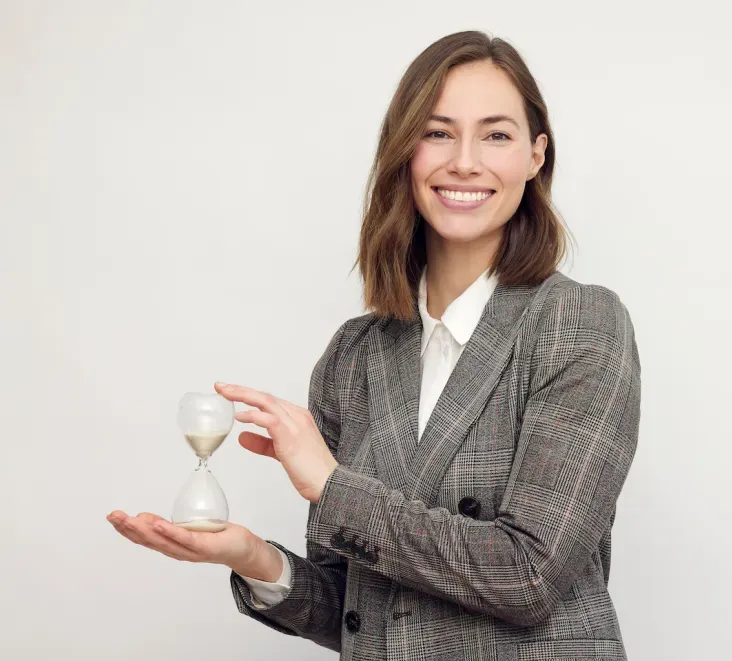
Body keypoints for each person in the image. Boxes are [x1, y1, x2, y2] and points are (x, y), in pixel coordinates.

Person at [107, 30, 641, 661]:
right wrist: (254, 560)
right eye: (438, 133)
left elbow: (528, 577)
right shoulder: (355, 355)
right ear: (404, 151)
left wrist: (333, 487)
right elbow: (366, 613)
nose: (465, 162)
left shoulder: (580, 323)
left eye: (496, 135)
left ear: (535, 155)